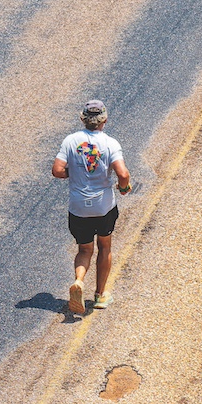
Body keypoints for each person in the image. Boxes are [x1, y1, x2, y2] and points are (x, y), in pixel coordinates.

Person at [52, 100, 132, 316]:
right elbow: (123, 174)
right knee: (104, 247)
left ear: (82, 119)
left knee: (84, 249)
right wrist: (123, 188)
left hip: (78, 208)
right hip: (103, 206)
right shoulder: (110, 143)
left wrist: (74, 174)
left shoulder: (70, 141)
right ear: (104, 119)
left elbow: (57, 170)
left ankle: (78, 280)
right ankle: (100, 296)